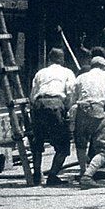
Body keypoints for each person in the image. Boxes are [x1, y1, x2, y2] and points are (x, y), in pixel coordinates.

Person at [29, 48, 76, 185]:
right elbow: (71, 93)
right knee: (63, 145)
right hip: (55, 104)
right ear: (62, 59)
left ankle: (37, 174)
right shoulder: (67, 72)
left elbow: (32, 95)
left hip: (38, 104)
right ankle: (52, 176)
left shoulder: (40, 73)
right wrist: (66, 110)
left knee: (38, 142)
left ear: (49, 59)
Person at [74, 56, 105, 189]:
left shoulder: (81, 77)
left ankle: (83, 171)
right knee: (103, 149)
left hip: (81, 108)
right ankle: (87, 176)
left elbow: (72, 96)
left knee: (81, 144)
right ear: (104, 66)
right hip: (97, 108)